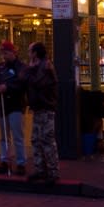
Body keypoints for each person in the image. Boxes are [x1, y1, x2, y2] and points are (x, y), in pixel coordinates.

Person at [23, 41, 59, 185]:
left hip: (46, 107)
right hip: (38, 107)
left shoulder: (45, 67)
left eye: (30, 51)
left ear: (35, 53)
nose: (28, 53)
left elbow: (36, 82)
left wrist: (30, 70)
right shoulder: (38, 66)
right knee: (36, 139)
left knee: (47, 140)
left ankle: (52, 171)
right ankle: (41, 169)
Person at [0, 39, 27, 175]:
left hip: (16, 105)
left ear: (13, 52)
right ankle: (5, 161)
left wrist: (7, 87)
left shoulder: (21, 67)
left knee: (17, 135)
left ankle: (21, 163)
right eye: (2, 53)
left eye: (6, 53)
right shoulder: (0, 68)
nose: (4, 56)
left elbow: (22, 84)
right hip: (3, 105)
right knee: (3, 136)